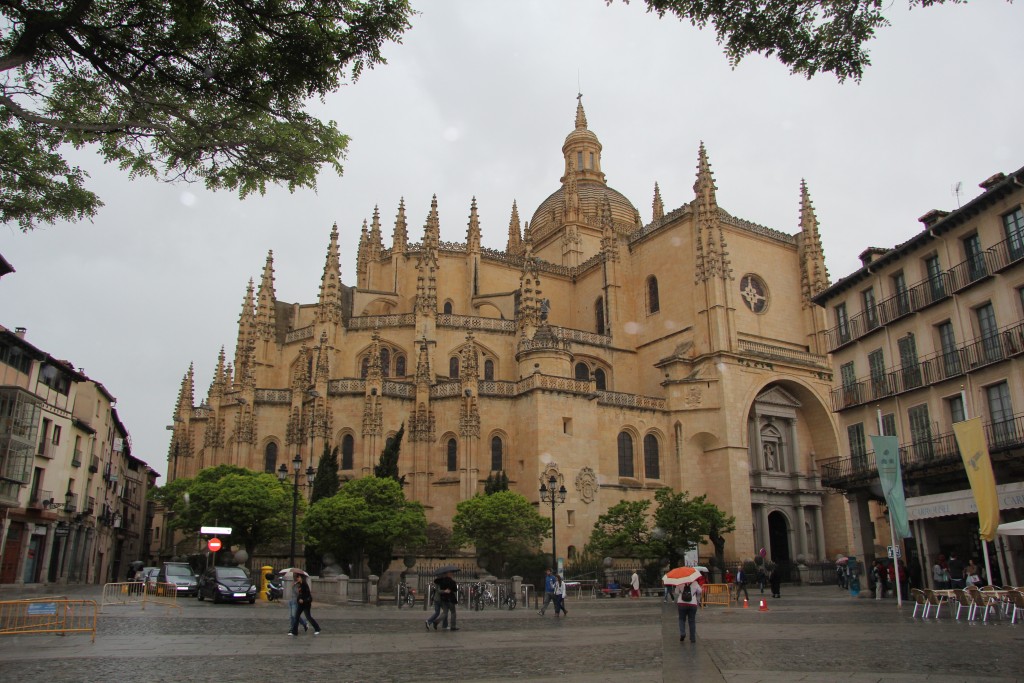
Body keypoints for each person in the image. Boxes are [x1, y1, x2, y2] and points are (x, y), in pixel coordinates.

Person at [676, 579, 702, 643]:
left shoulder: (680, 582)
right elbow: (700, 591)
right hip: (692, 604)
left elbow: (676, 592)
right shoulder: (695, 582)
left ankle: (682, 633)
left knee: (681, 619)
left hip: (682, 604)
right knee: (692, 620)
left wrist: (681, 591)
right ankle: (692, 638)